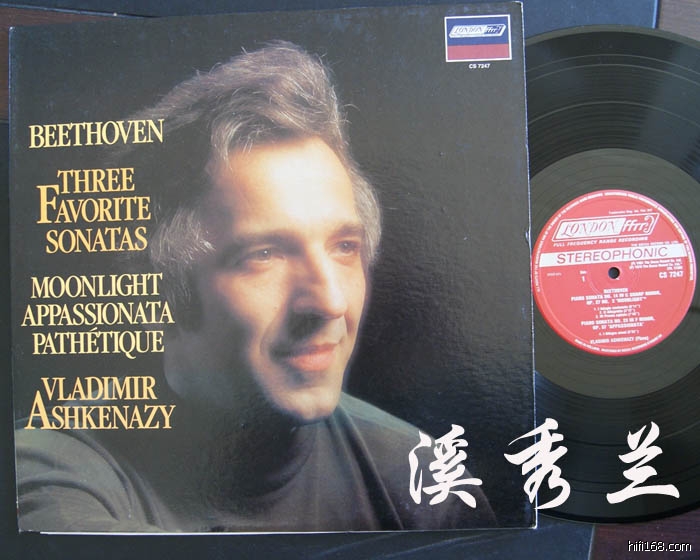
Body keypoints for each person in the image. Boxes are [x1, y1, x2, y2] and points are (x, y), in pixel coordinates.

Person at [16, 41, 495, 532]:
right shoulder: (48, 470)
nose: (330, 301)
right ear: (163, 286)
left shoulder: (424, 478)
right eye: (263, 255)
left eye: (344, 246)